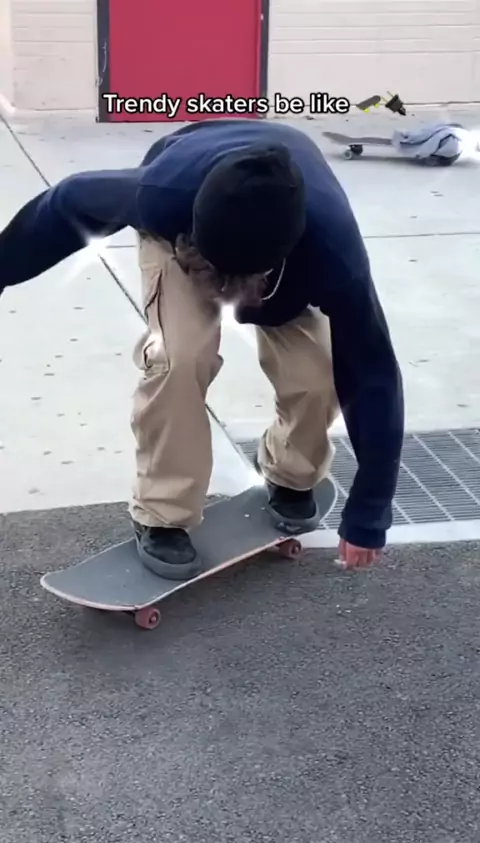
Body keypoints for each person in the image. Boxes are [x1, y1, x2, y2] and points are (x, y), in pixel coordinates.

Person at [0, 118, 404, 580]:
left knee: (317, 374)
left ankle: (291, 472)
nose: (223, 291)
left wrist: (369, 510)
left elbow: (373, 372)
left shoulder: (333, 251)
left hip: (284, 254)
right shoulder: (160, 193)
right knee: (180, 358)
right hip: (183, 231)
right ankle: (163, 514)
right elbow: (64, 203)